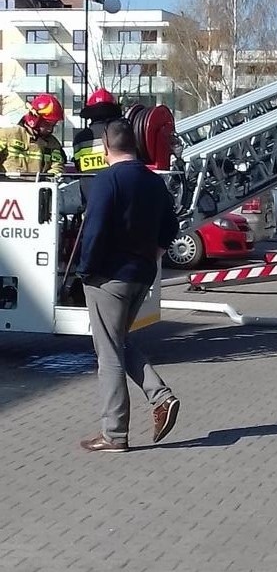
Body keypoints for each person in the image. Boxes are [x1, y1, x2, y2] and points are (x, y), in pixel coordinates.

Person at [77, 117, 181, 452]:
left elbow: (93, 229)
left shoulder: (107, 180)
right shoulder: (153, 182)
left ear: (106, 147)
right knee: (118, 342)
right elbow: (171, 223)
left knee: (107, 354)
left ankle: (114, 433)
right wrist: (155, 253)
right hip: (141, 273)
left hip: (108, 277)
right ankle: (161, 397)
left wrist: (85, 270)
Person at [0, 94, 65, 177]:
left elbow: (57, 167)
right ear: (34, 119)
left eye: (53, 125)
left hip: (37, 188)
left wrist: (48, 180)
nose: (50, 129)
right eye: (47, 124)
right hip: (9, 187)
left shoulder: (53, 144)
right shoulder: (8, 134)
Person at [72, 88, 122, 172]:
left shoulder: (79, 139)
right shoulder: (121, 133)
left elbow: (78, 166)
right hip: (116, 183)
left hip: (88, 184)